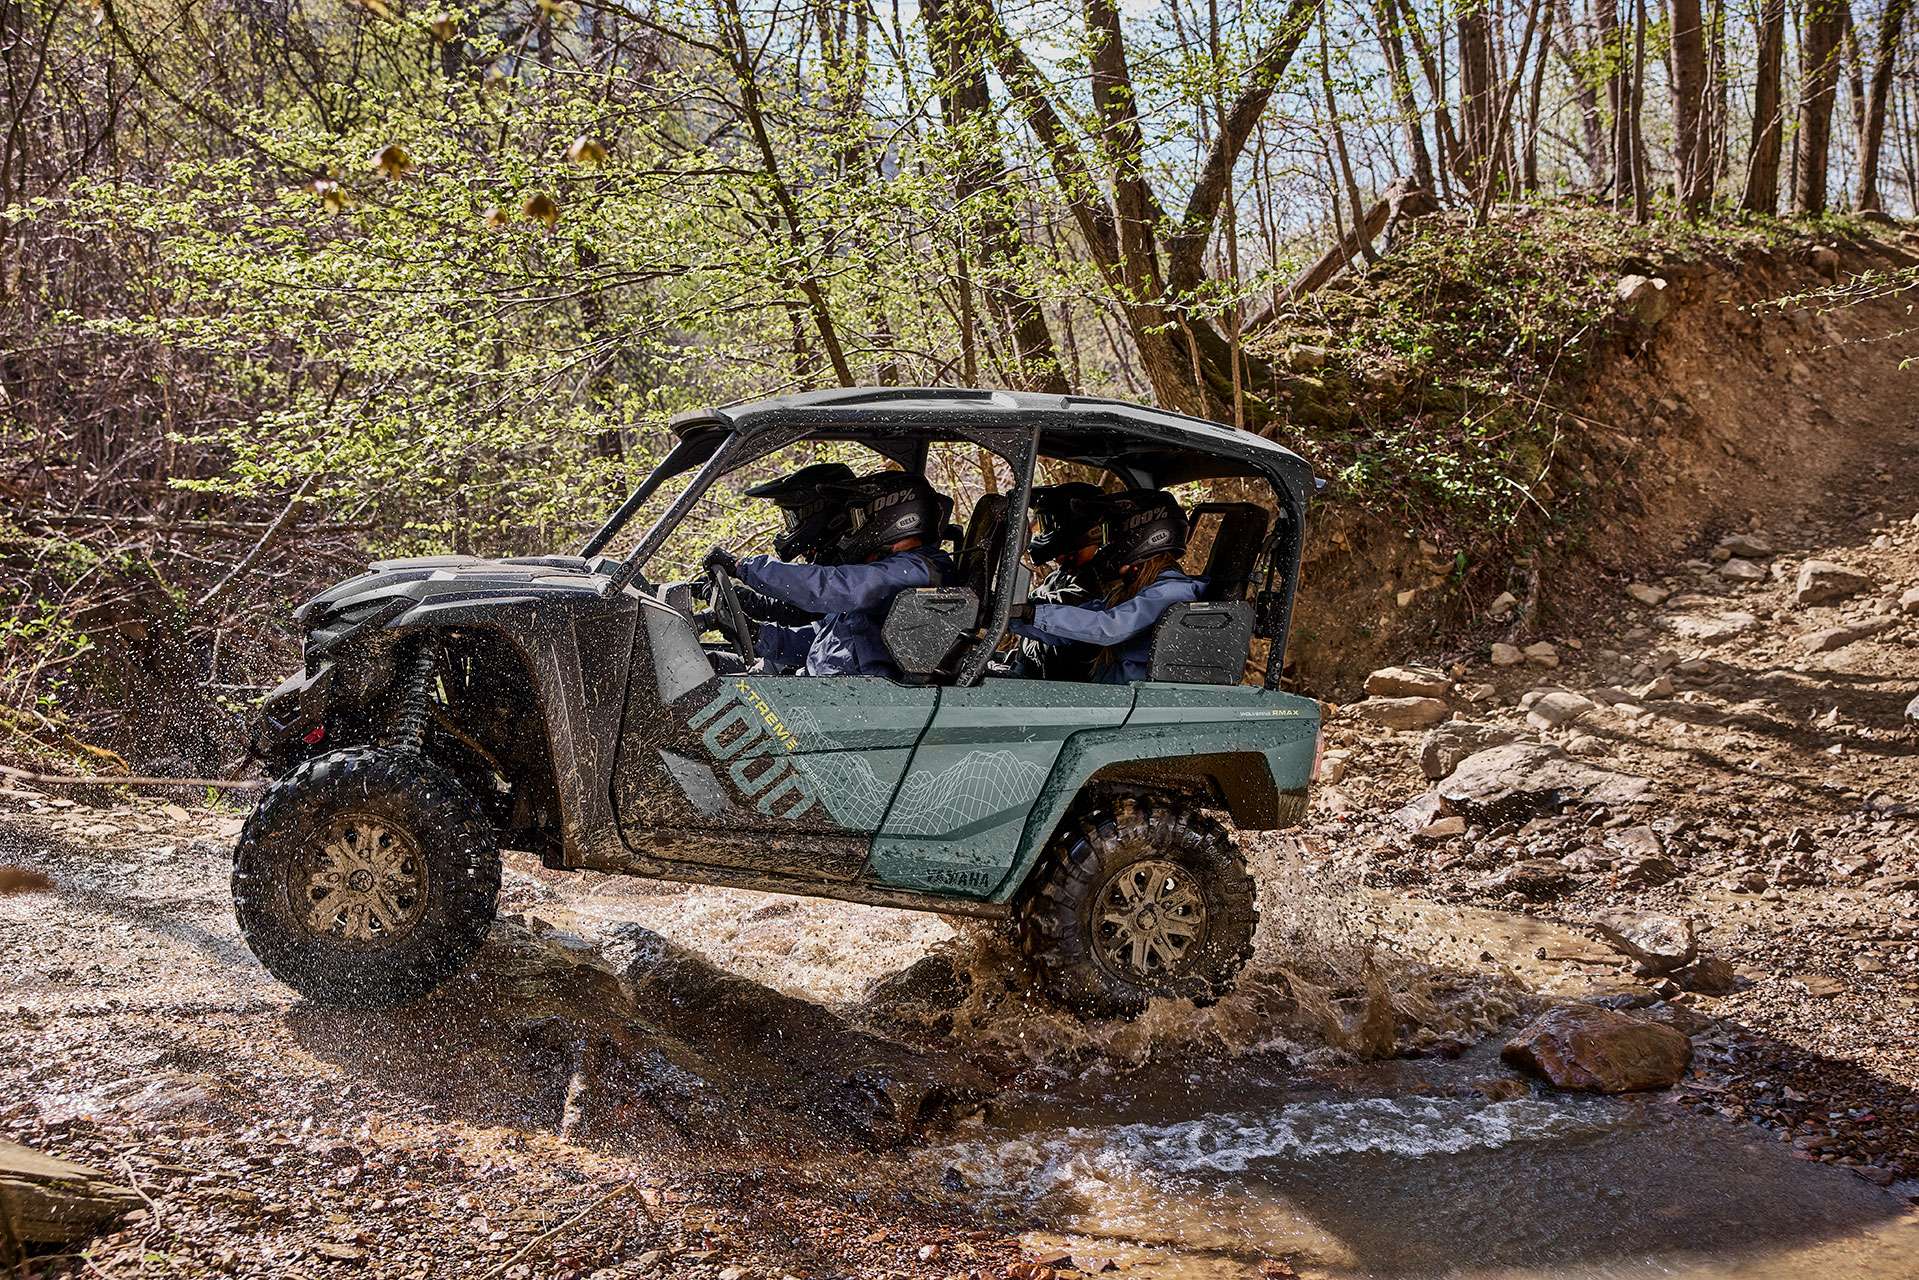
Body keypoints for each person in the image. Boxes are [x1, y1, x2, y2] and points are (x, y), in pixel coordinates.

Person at [706, 471, 954, 678]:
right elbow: (821, 642)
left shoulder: (918, 571)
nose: (852, 529)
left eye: (859, 518)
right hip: (827, 693)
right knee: (710, 668)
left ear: (893, 516)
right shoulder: (889, 573)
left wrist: (742, 566)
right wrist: (758, 636)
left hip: (855, 703)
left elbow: (831, 586)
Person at [1009, 489, 1203, 684]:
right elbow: (1075, 627)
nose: (1105, 546)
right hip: (1106, 693)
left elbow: (1107, 628)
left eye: (1111, 536)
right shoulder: (1134, 592)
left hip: (1126, 697)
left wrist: (1034, 614)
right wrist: (1013, 618)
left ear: (1138, 537)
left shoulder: (1172, 592)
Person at [1010, 482, 1105, 681]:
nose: (1042, 534)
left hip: (1070, 691)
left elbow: (1058, 616)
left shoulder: (1101, 581)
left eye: (1047, 524)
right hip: (1038, 684)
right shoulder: (1060, 577)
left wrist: (1014, 612)